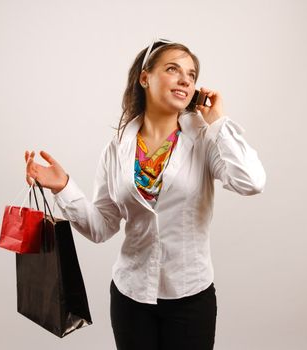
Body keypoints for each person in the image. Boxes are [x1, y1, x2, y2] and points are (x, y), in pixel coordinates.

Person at [24, 38, 266, 350]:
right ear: (145, 77)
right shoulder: (116, 148)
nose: (185, 80)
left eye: (191, 75)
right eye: (173, 69)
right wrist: (63, 186)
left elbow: (252, 182)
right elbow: (102, 228)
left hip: (189, 297)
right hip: (131, 296)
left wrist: (218, 122)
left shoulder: (206, 139)